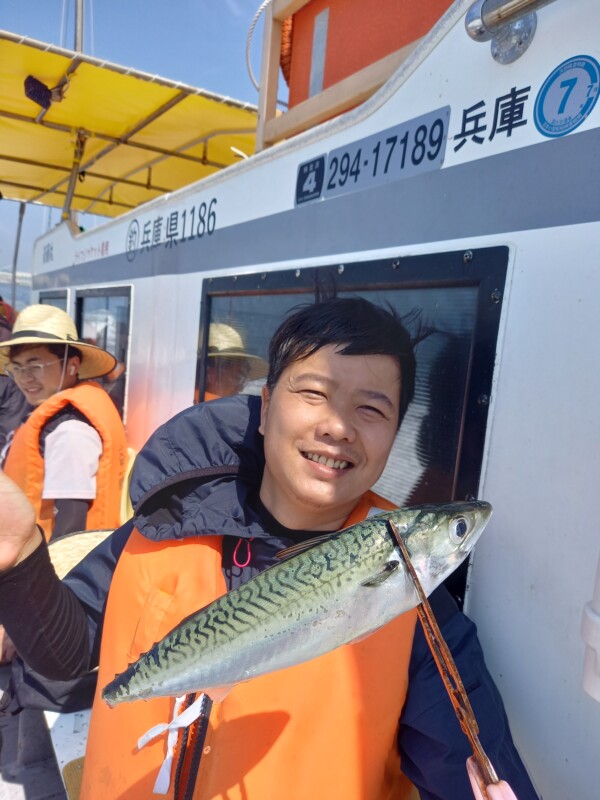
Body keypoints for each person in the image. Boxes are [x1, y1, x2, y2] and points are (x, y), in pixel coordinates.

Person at [0, 297, 539, 800]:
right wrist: (21, 556)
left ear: (395, 434)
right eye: (314, 393)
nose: (336, 427)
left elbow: (473, 768)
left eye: (371, 410)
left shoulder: (420, 610)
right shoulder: (167, 525)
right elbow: (67, 661)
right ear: (265, 406)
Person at [0, 304, 128, 541]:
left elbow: (69, 527)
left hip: (40, 566)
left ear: (72, 365)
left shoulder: (70, 431)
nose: (24, 378)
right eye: (16, 368)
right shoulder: (54, 412)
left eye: (35, 366)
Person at [202, 322, 267, 400]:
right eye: (238, 378)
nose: (241, 388)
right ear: (210, 374)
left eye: (244, 381)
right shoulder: (211, 408)